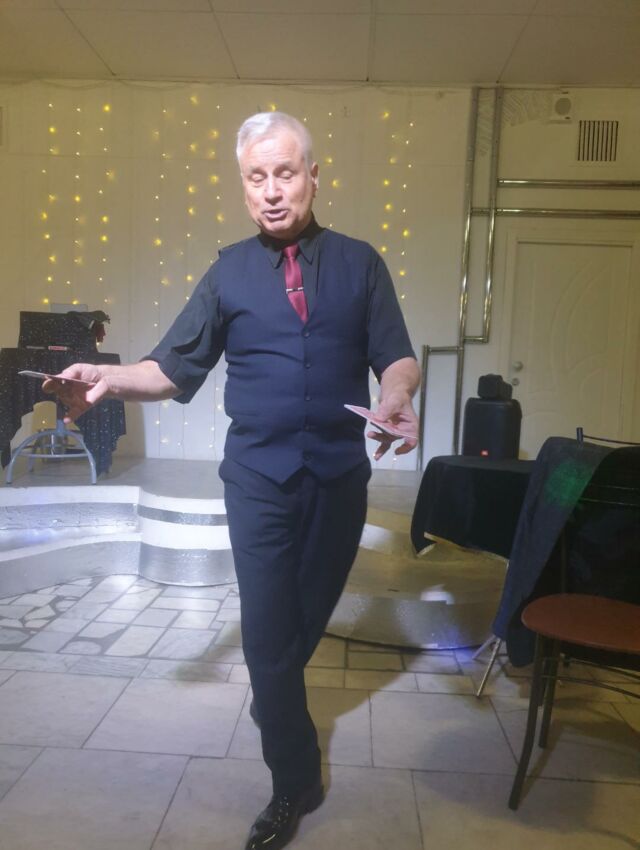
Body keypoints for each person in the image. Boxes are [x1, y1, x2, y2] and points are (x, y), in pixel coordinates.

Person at [45, 111, 420, 850]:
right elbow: (169, 368)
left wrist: (398, 394)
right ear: (244, 187)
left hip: (339, 479)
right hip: (257, 480)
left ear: (313, 176)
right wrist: (108, 379)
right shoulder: (228, 273)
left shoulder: (362, 264)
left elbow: (397, 356)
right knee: (266, 635)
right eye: (257, 178)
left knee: (299, 624)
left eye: (285, 173)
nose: (272, 191)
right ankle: (294, 779)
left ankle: (273, 699)